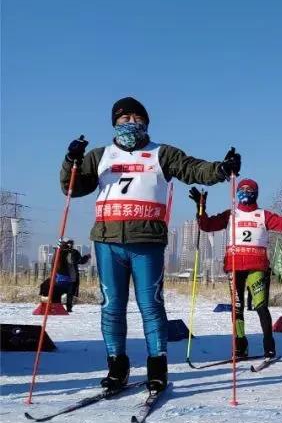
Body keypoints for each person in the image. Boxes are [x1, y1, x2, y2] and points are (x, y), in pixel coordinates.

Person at [60, 96, 238, 393]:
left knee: (151, 306)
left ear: (146, 123)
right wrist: (71, 160)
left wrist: (221, 169)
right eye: (123, 119)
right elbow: (71, 188)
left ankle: (157, 367)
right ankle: (117, 367)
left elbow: (193, 169)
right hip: (107, 242)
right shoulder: (100, 155)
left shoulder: (161, 153)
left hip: (147, 242)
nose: (130, 124)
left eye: (135, 119)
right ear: (114, 124)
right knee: (112, 306)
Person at [194, 180, 282, 360]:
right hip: (235, 267)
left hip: (257, 267)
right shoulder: (230, 214)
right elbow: (207, 225)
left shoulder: (262, 215)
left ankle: (269, 346)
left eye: (249, 190)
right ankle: (240, 346)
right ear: (237, 192)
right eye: (242, 189)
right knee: (237, 309)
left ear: (256, 193)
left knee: (261, 307)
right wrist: (201, 207)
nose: (245, 192)